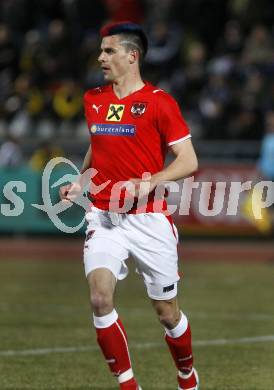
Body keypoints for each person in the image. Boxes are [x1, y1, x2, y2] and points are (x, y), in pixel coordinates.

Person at [59, 21, 199, 390]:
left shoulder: (160, 103)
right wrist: (81, 179)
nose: (100, 57)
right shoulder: (94, 100)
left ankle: (186, 374)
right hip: (104, 217)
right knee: (99, 297)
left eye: (109, 51)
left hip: (150, 220)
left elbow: (188, 161)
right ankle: (128, 386)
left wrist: (150, 181)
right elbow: (98, 143)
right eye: (101, 51)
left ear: (131, 55)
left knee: (167, 313)